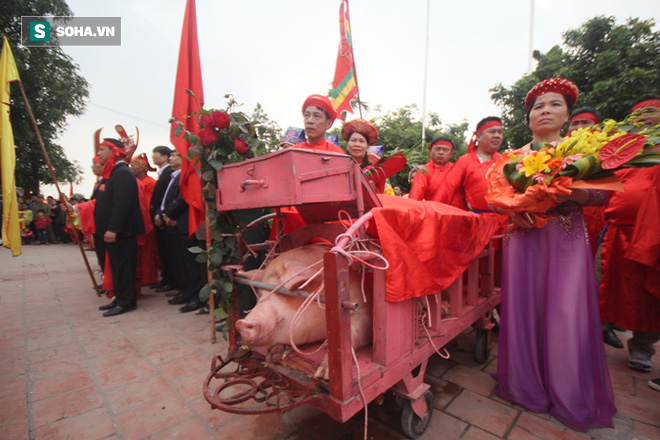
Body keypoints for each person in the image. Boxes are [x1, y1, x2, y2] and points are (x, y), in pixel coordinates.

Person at [493, 78, 616, 431]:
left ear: (567, 115)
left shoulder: (583, 152)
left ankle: (566, 390)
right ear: (529, 117)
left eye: (554, 105)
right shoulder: (514, 157)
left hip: (565, 238)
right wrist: (514, 209)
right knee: (524, 308)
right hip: (523, 237)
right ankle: (525, 385)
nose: (545, 111)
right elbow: (497, 196)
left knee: (566, 311)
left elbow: (601, 196)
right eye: (537, 107)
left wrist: (568, 188)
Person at [598, 97, 660, 382]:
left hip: (651, 234)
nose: (646, 119)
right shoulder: (621, 152)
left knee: (649, 294)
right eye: (640, 115)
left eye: (653, 114)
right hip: (616, 230)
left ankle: (642, 348)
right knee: (602, 283)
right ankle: (598, 330)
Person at [94, 138, 145, 317]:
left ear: (112, 150)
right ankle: (120, 297)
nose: (98, 153)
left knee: (123, 266)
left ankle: (127, 301)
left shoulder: (122, 173)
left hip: (122, 232)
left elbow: (122, 204)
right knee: (117, 266)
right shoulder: (115, 172)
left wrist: (113, 228)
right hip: (114, 231)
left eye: (102, 150)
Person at [156, 150, 205, 313]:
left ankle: (196, 297)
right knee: (181, 263)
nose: (171, 157)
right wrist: (162, 213)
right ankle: (187, 292)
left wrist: (169, 214)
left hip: (185, 222)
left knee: (191, 264)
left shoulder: (189, 175)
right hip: (174, 223)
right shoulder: (175, 176)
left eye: (176, 154)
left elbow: (185, 198)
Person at [437, 117, 504, 214]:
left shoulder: (505, 161)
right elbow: (445, 191)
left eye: (500, 132)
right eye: (492, 132)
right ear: (478, 136)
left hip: (506, 222)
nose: (497, 135)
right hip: (476, 221)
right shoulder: (464, 161)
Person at [150, 145, 177, 293]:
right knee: (165, 251)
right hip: (161, 217)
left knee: (170, 254)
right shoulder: (165, 174)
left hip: (167, 218)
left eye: (156, 154)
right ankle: (167, 278)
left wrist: (163, 214)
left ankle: (171, 280)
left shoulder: (169, 173)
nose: (153, 157)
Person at [408, 137, 455, 202]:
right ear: (430, 153)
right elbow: (416, 194)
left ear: (451, 154)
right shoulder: (423, 170)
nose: (441, 152)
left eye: (445, 150)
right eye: (437, 149)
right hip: (432, 209)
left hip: (455, 210)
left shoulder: (458, 169)